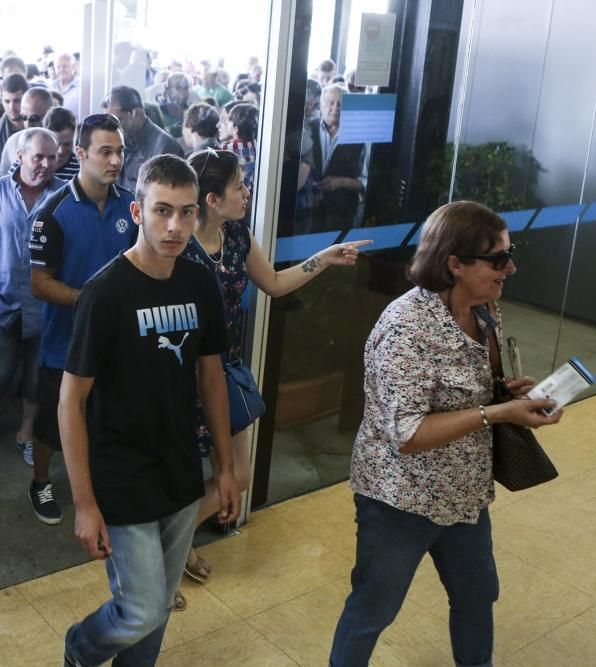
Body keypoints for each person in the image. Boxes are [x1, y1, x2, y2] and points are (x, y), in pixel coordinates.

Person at [328, 201, 562, 666]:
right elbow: (409, 432)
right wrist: (498, 414)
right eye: (497, 259)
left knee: (478, 595)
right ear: (454, 263)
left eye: (510, 254)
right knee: (374, 609)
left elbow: (475, 387)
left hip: (464, 493)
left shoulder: (486, 310)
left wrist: (506, 392)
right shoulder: (406, 328)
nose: (509, 268)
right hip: (401, 500)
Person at [60, 154, 240, 667]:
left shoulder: (199, 282)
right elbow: (70, 400)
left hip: (179, 468)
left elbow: (213, 378)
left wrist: (225, 468)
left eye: (186, 213)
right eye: (162, 211)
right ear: (137, 212)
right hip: (121, 474)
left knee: (158, 608)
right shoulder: (105, 292)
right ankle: (80, 648)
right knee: (139, 610)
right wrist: (84, 502)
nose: (175, 226)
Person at [176, 148, 370, 608]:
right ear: (211, 199)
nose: (248, 193)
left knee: (238, 474)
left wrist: (323, 258)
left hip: (227, 369)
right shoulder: (177, 244)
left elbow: (276, 284)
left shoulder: (238, 235)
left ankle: (176, 539)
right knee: (176, 476)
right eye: (239, 186)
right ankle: (161, 566)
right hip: (180, 377)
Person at [27, 113, 136, 525]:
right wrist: (92, 302)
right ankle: (40, 481)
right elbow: (40, 284)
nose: (114, 160)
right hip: (65, 342)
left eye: (120, 151)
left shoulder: (131, 206)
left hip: (117, 342)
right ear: (81, 153)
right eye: (105, 151)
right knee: (52, 425)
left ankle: (97, 485)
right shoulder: (52, 212)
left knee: (107, 416)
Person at [0, 128, 64, 467]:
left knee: (35, 377)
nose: (45, 164)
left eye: (51, 157)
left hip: (45, 307)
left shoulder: (63, 196)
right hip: (1, 301)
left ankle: (26, 433)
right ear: (20, 156)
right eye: (38, 157)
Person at [306, 84, 365, 232]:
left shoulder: (360, 136)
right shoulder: (306, 130)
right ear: (321, 104)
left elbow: (368, 181)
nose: (335, 108)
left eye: (340, 104)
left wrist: (342, 182)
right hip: (307, 214)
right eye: (330, 103)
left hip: (342, 216)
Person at [103, 85, 184, 191]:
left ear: (133, 113)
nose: (112, 127)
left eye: (118, 120)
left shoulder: (166, 148)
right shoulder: (122, 141)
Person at [0, 87, 54, 176]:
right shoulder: (13, 142)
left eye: (34, 118)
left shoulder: (64, 144)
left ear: (49, 114)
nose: (28, 123)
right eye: (24, 117)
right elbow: (4, 182)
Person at [0, 73, 28, 179]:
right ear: (1, 99)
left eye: (17, 101)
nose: (12, 107)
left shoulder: (39, 129)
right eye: (7, 101)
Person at [51, 53, 80, 119]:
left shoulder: (81, 88)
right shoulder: (50, 87)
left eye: (65, 66)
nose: (61, 70)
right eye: (58, 67)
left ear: (73, 67)